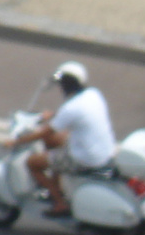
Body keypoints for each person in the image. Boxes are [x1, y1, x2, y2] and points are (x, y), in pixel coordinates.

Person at [16, 62, 117, 217]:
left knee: (33, 163)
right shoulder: (93, 94)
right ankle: (57, 188)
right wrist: (53, 115)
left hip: (85, 158)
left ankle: (60, 204)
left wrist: (16, 142)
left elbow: (44, 133)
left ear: (66, 85)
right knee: (54, 142)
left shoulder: (71, 108)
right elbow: (72, 116)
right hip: (104, 151)